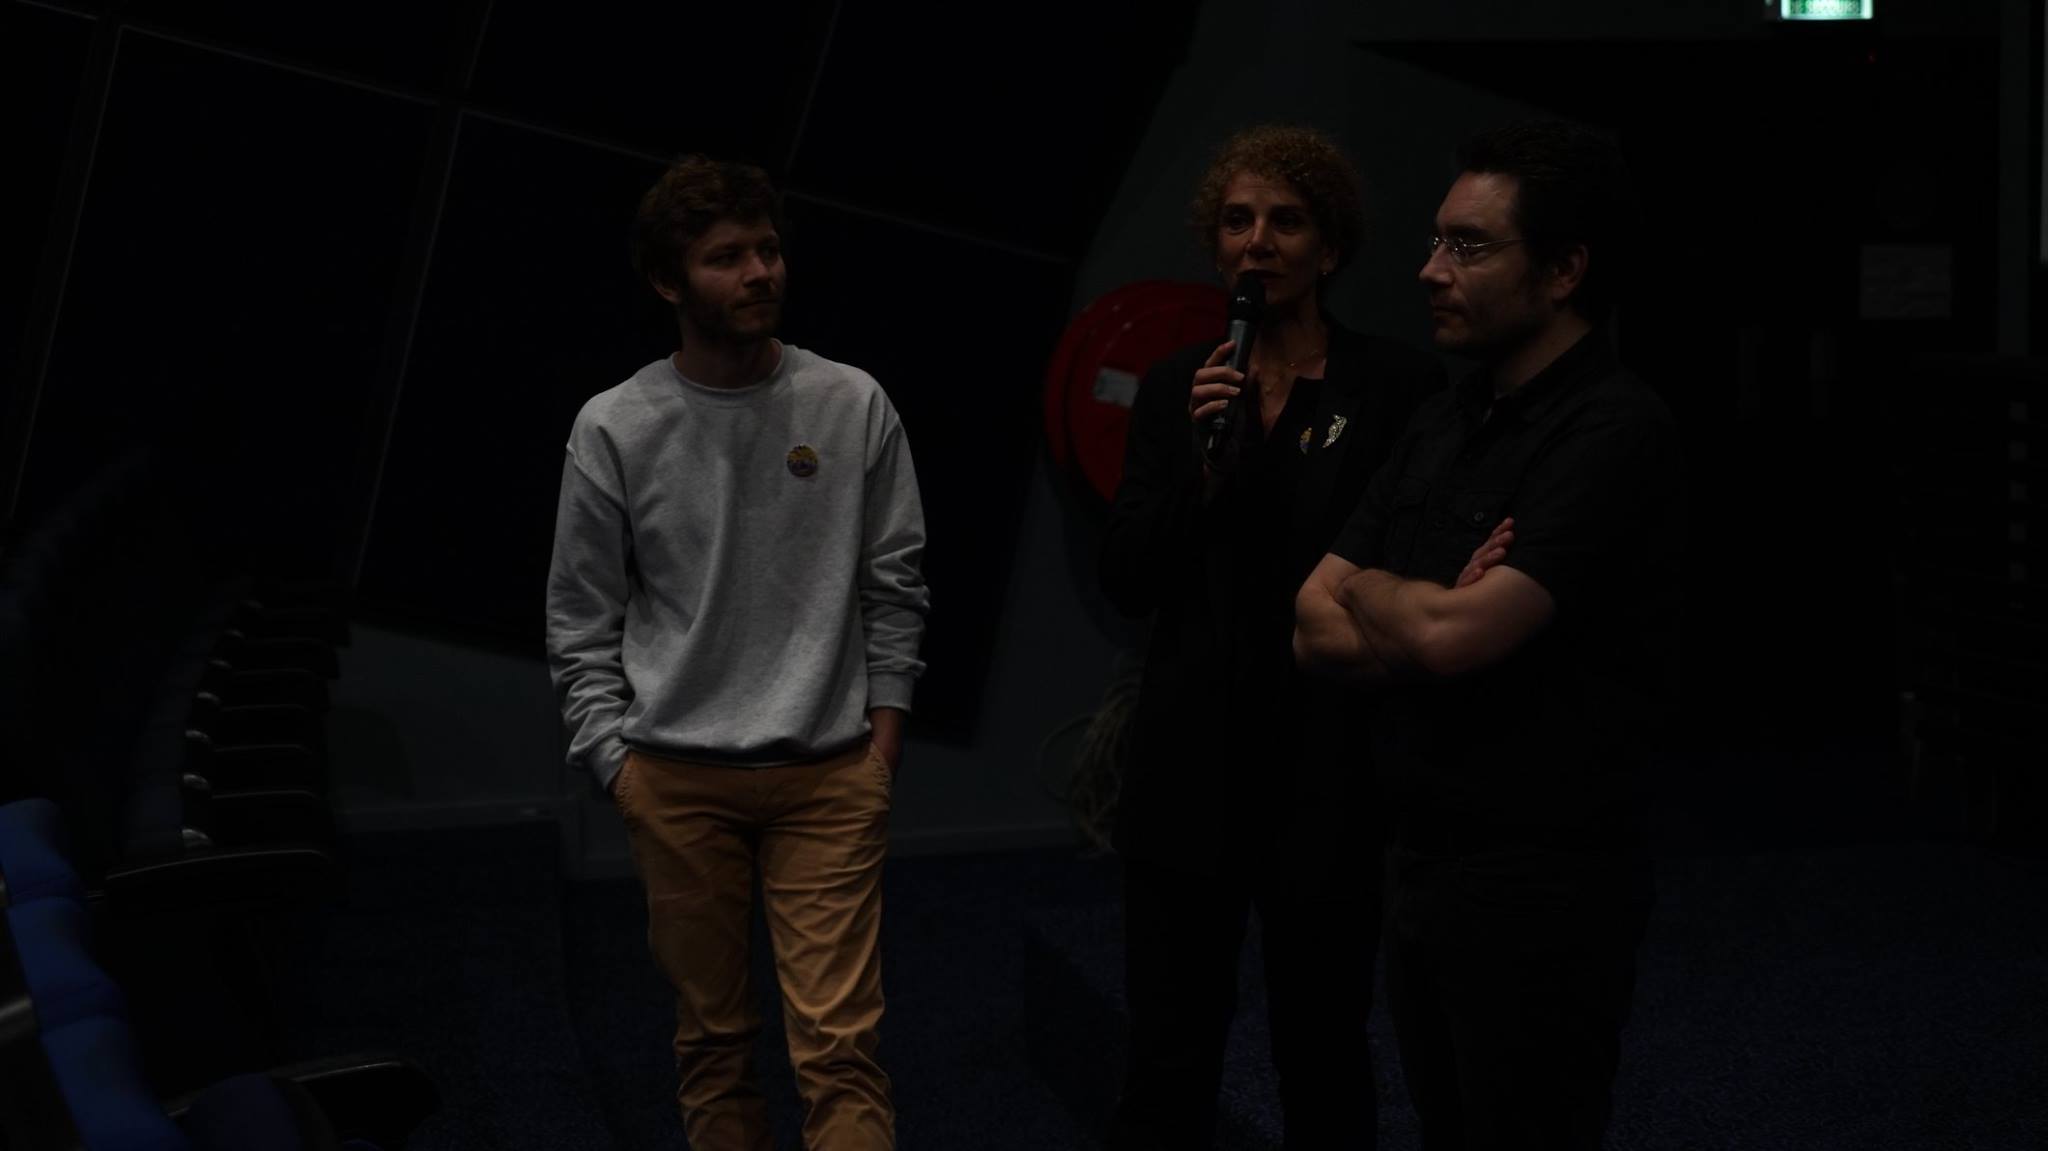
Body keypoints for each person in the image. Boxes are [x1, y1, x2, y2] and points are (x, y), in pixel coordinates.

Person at [1294, 118, 1682, 1150]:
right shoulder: (1445, 418)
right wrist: (1416, 602)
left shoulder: (1613, 430)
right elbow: (1308, 624)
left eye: (1468, 246)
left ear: (1562, 270)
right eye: (1436, 240)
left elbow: (1451, 639)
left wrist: (1381, 593)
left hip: (1544, 882)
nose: (1431, 270)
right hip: (1419, 858)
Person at [545, 154, 929, 1151]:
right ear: (667, 281)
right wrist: (617, 763)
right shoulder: (615, 424)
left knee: (841, 1051)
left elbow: (894, 584)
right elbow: (580, 613)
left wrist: (882, 739)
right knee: (713, 1046)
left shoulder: (851, 402)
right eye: (727, 257)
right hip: (676, 777)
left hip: (829, 771)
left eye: (767, 249)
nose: (760, 271)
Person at [1099, 123, 1445, 1149]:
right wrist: (1207, 474)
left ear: (1328, 248)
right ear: (1214, 247)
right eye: (1237, 221)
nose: (1258, 242)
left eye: (1285, 222)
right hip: (1188, 763)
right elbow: (1128, 577)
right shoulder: (1179, 386)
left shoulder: (1394, 388)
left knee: (1321, 1043)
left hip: (1325, 765)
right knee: (1168, 1054)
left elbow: (1396, 565)